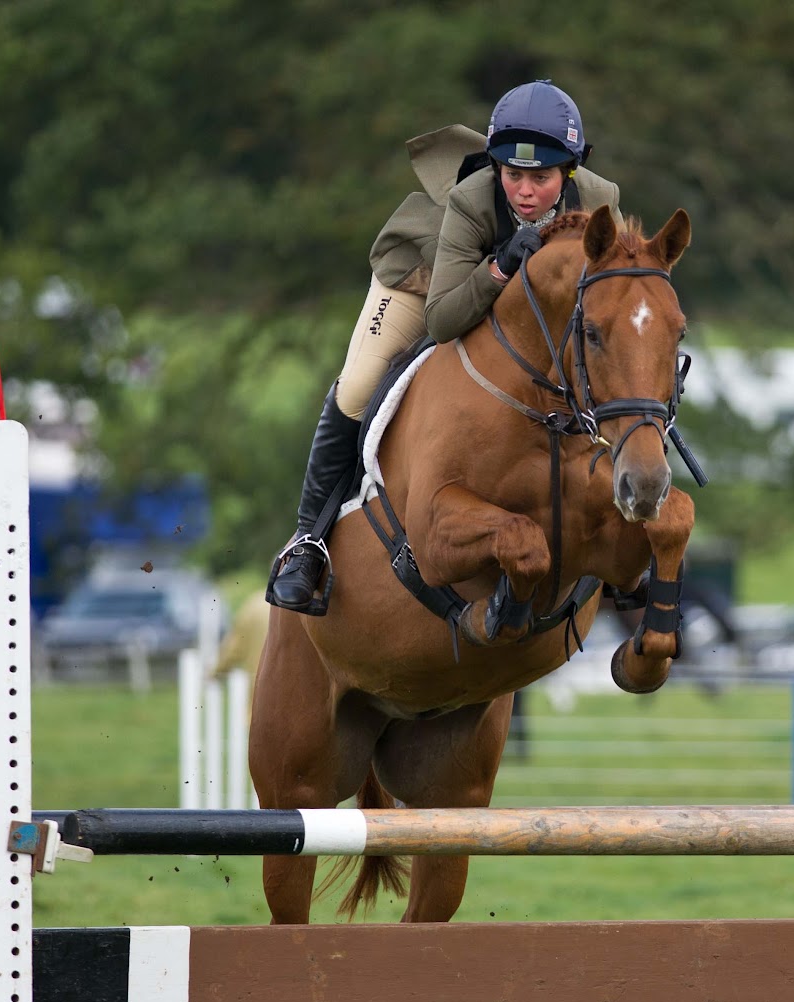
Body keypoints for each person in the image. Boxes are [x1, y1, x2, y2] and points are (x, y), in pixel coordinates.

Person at [266, 80, 623, 613]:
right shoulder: (472, 199)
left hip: (517, 299)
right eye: (512, 174)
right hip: (425, 279)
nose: (525, 192)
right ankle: (307, 543)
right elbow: (444, 319)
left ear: (571, 171)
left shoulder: (600, 200)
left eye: (541, 178)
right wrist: (500, 266)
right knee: (359, 387)